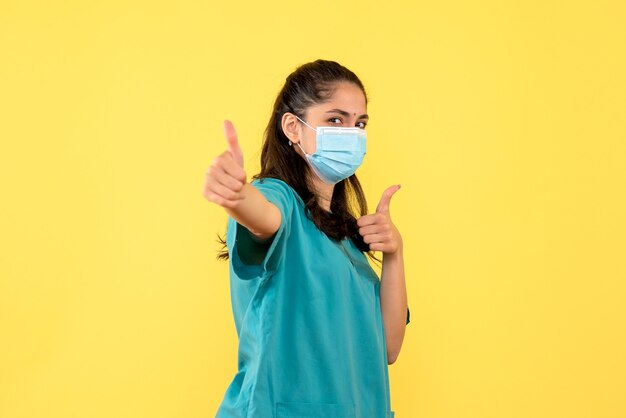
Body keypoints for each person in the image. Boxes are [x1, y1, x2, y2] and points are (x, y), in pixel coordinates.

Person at [203, 59, 410, 418]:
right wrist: (238, 196)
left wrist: (395, 253)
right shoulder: (278, 198)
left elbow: (387, 348)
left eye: (359, 124)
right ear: (293, 128)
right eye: (335, 120)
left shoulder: (345, 239)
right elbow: (263, 217)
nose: (351, 133)